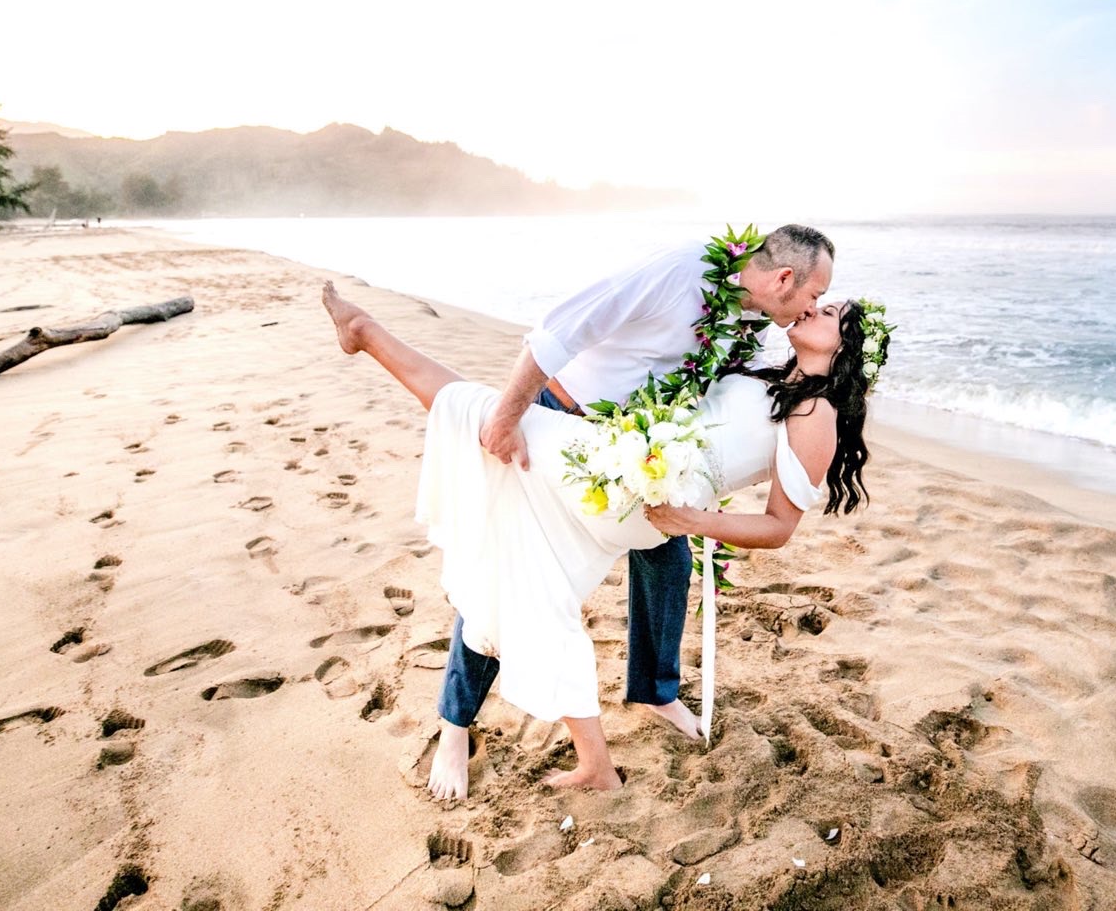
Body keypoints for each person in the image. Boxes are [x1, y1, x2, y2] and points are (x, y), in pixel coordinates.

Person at [320, 281, 888, 793]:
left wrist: (693, 523)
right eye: (817, 297)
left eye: (831, 310)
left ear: (847, 347)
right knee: (527, 580)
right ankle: (595, 766)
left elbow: (779, 528)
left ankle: (367, 334)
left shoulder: (817, 414)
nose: (815, 306)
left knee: (483, 420)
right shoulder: (769, 372)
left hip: (629, 491)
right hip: (615, 469)